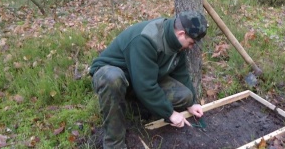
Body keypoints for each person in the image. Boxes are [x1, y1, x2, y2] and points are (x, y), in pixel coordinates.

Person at [89, 10, 208, 149]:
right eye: (191, 42)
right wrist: (170, 113)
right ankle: (114, 144)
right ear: (181, 34)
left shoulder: (177, 41)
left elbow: (181, 73)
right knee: (113, 79)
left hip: (142, 78)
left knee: (185, 96)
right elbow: (145, 86)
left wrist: (192, 102)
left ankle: (135, 106)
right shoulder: (146, 39)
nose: (192, 46)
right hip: (113, 73)